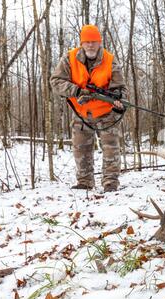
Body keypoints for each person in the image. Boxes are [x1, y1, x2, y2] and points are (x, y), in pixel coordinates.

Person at [50, 25, 128, 192]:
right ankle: (84, 182)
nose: (90, 45)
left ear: (99, 42)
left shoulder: (110, 59)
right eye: (87, 42)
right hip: (81, 112)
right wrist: (76, 91)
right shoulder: (69, 58)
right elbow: (55, 82)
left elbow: (120, 87)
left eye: (94, 41)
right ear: (82, 43)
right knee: (81, 148)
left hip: (106, 113)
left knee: (111, 149)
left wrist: (118, 100)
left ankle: (110, 183)